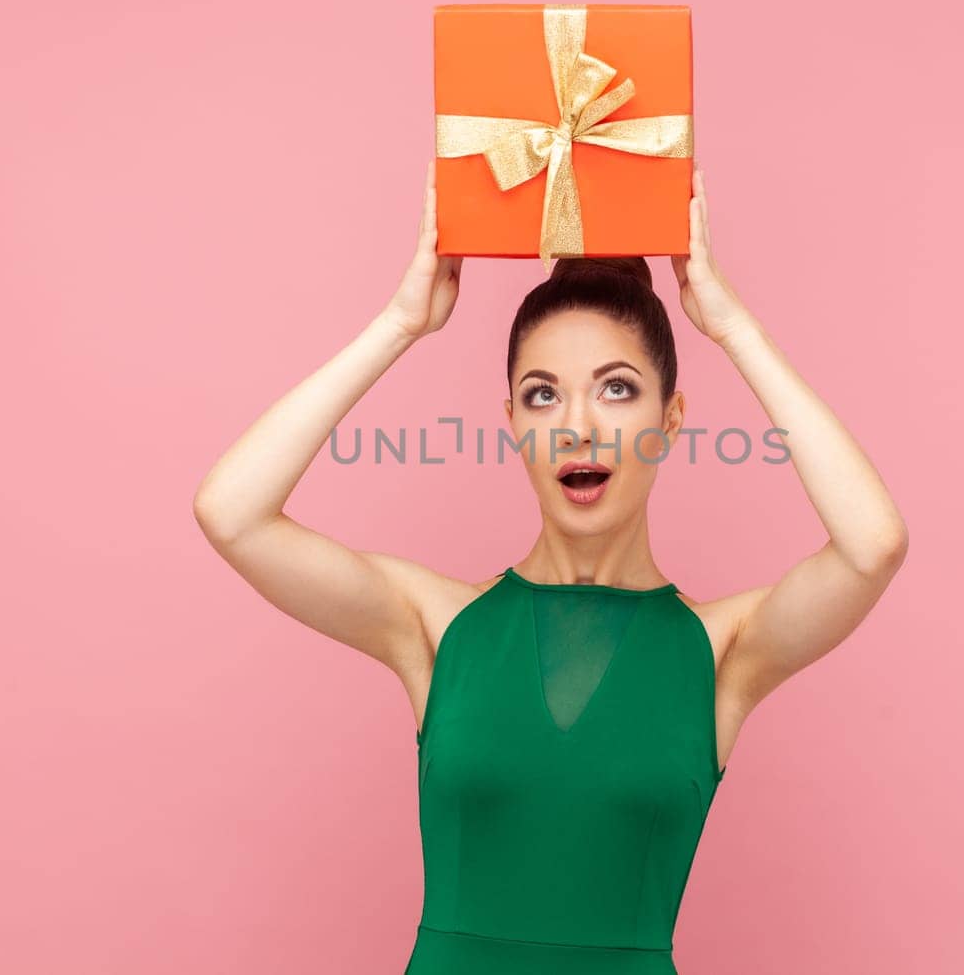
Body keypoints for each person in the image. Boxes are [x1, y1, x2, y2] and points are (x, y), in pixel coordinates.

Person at [192, 160, 910, 973]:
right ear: (510, 422)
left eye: (616, 390)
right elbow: (232, 511)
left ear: (671, 419)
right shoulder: (438, 627)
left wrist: (733, 327)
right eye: (542, 395)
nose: (577, 426)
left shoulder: (721, 650)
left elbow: (871, 543)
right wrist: (399, 324)